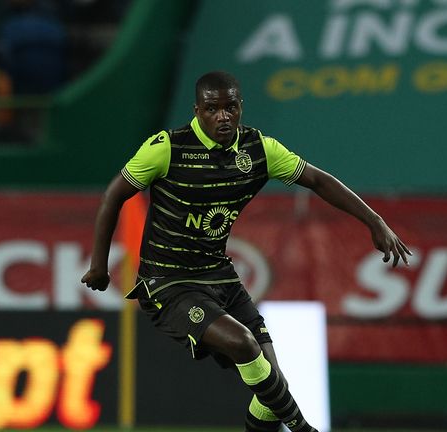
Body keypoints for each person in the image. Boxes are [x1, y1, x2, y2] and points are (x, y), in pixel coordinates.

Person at [81, 71, 411, 432]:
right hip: (168, 283)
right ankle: (303, 428)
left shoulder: (260, 150)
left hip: (220, 276)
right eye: (212, 108)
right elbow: (114, 194)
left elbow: (317, 180)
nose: (223, 116)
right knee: (243, 344)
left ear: (240, 107)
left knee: (271, 391)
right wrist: (99, 265)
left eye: (230, 107)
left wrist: (374, 220)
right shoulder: (167, 148)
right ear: (197, 110)